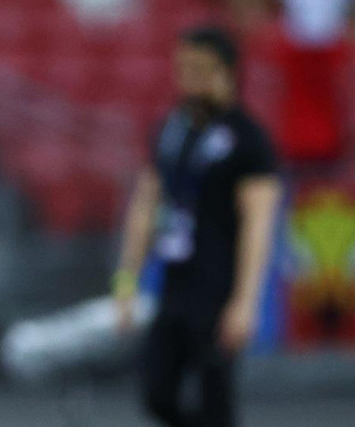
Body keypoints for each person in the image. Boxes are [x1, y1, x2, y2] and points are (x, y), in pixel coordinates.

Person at [112, 27, 281, 426]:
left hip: (217, 285)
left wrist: (245, 301)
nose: (191, 78)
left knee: (216, 399)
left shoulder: (248, 139)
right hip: (175, 281)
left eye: (202, 69)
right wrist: (126, 279)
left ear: (227, 72)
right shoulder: (172, 128)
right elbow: (144, 205)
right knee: (158, 392)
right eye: (184, 68)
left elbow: (259, 224)